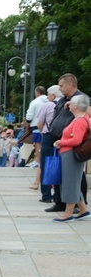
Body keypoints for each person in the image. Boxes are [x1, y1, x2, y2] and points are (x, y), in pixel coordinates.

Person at [43, 74, 87, 213]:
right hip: (56, 138)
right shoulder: (62, 100)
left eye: (61, 86)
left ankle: (76, 205)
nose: (59, 88)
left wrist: (76, 107)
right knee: (57, 171)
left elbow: (87, 114)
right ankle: (60, 201)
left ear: (71, 84)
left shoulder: (81, 99)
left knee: (74, 176)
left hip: (70, 143)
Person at [51, 94, 90, 223]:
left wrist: (60, 142)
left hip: (70, 154)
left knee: (69, 183)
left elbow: (77, 140)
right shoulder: (81, 118)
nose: (69, 105)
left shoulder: (79, 121)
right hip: (69, 153)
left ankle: (68, 214)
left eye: (72, 103)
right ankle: (83, 210)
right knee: (73, 182)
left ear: (77, 106)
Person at [34, 85, 62, 192]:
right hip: (61, 136)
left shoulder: (48, 105)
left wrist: (42, 133)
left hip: (48, 135)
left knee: (45, 163)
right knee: (60, 162)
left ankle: (46, 194)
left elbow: (40, 123)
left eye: (49, 95)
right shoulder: (65, 104)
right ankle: (58, 193)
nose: (47, 98)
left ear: (53, 95)